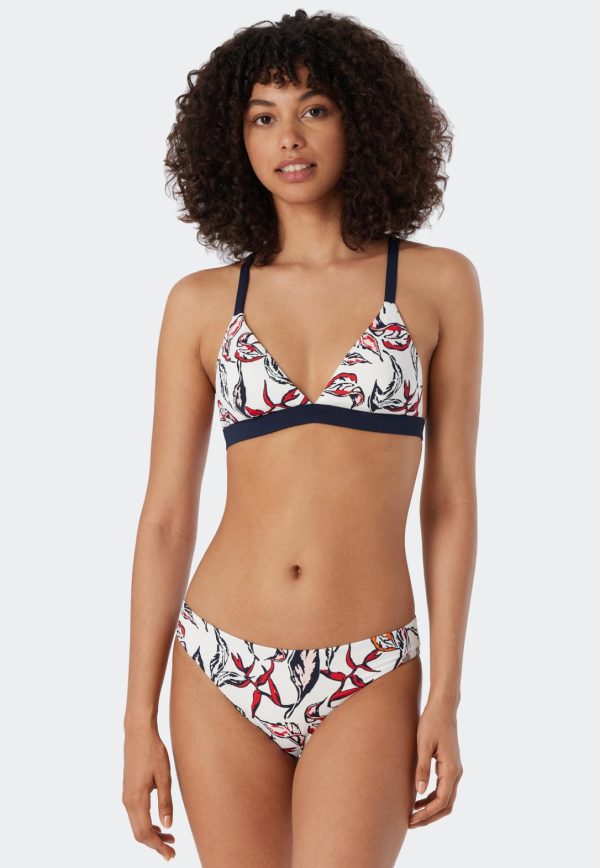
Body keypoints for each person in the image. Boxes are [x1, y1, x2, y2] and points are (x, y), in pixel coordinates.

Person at [122, 9, 483, 866]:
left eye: (314, 108)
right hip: (218, 659)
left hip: (370, 667)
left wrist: (447, 695)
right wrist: (138, 720)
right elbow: (166, 516)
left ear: (364, 119)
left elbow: (450, 501)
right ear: (233, 139)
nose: (289, 136)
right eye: (263, 115)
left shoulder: (437, 284)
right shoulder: (202, 303)